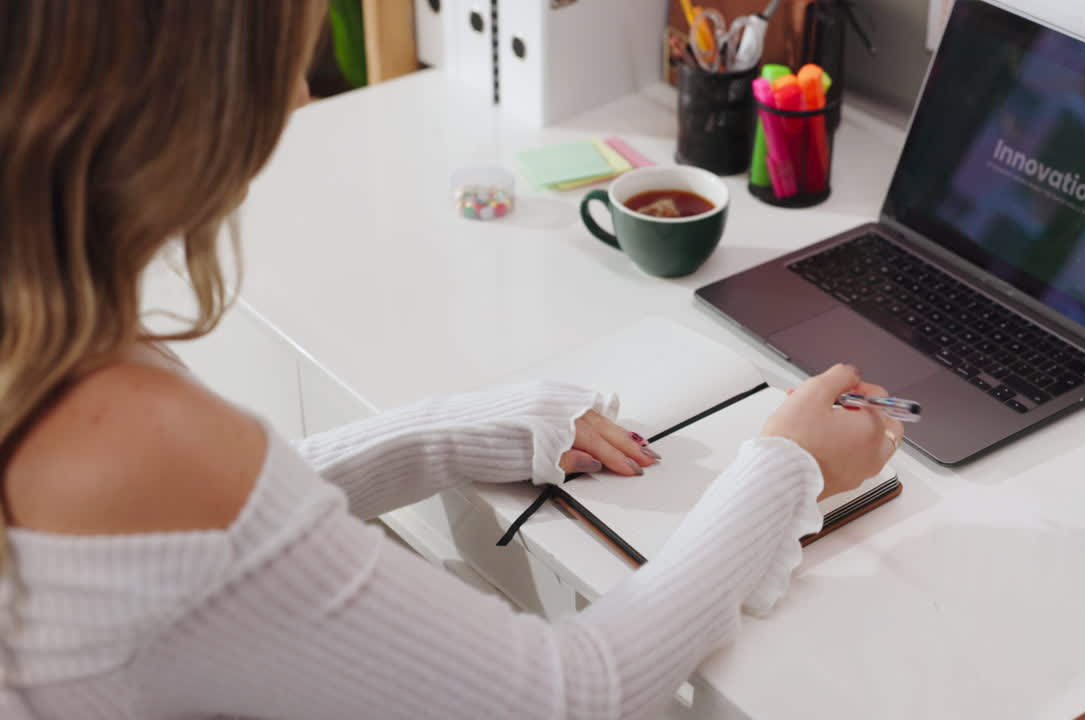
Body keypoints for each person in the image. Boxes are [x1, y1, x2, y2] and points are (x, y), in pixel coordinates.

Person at [0, 3, 902, 718]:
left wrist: (460, 430)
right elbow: (572, 694)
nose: (301, 104)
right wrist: (788, 468)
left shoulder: (42, 338)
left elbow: (197, 550)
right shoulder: (133, 436)